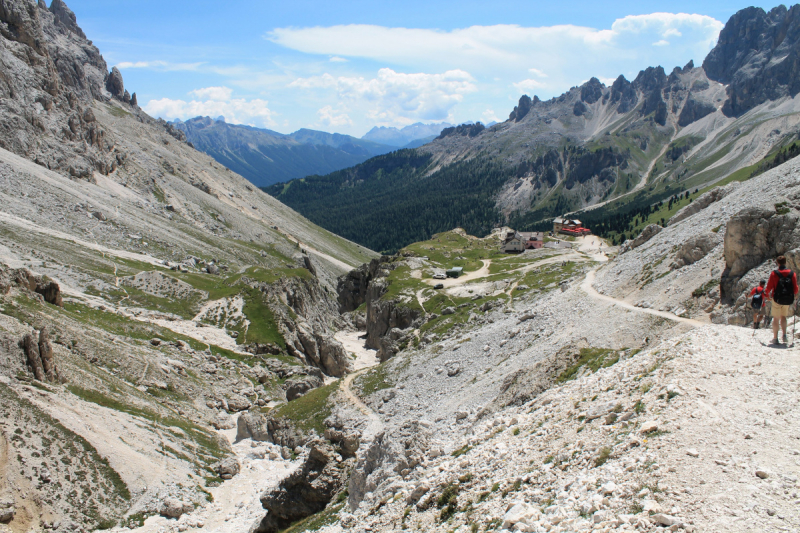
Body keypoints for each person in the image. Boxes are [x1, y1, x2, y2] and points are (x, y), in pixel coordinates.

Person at [765, 255, 799, 344]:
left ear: (778, 263)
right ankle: (784, 335)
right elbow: (795, 289)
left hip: (776, 298)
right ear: (785, 262)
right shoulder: (792, 274)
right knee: (783, 316)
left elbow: (769, 286)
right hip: (787, 298)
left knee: (776, 318)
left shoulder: (774, 273)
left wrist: (767, 295)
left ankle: (775, 338)